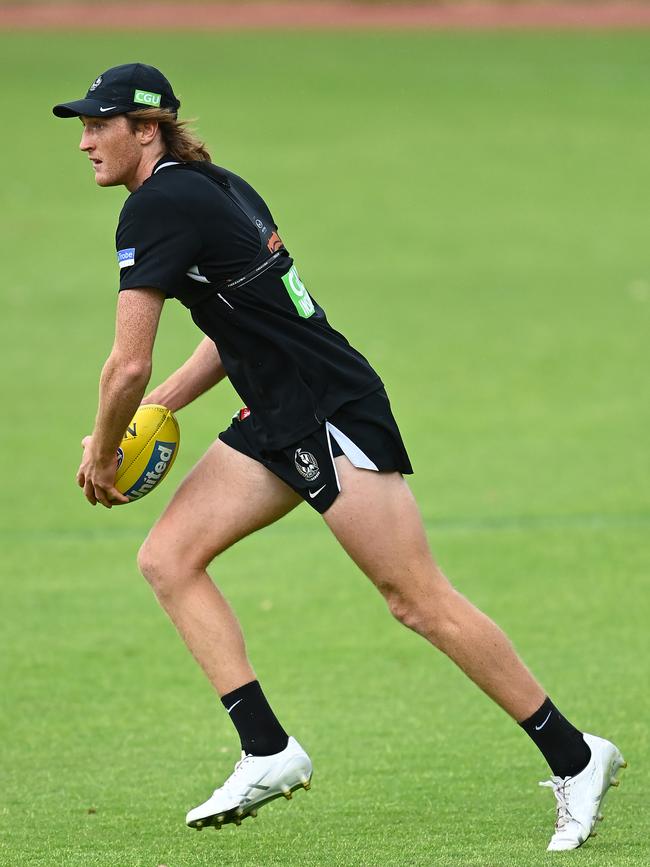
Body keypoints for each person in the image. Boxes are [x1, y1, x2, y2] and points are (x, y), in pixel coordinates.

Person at [53, 63, 625, 851]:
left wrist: (109, 445)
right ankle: (267, 749)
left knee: (415, 597)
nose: (85, 141)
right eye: (81, 126)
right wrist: (156, 416)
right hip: (277, 412)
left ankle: (576, 753)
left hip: (328, 411)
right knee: (169, 557)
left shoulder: (156, 207)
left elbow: (127, 365)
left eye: (99, 125)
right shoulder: (217, 186)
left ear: (146, 129)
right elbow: (234, 332)